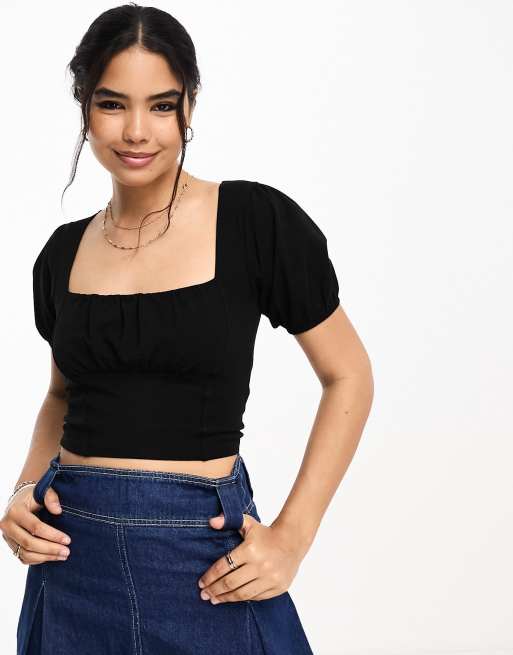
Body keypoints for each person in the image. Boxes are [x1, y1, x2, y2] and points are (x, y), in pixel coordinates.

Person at [2, 4, 373, 654]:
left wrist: (292, 536)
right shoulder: (61, 253)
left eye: (161, 106)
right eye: (112, 104)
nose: (135, 131)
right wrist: (24, 491)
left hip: (204, 563)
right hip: (71, 562)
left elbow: (348, 375)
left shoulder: (255, 221)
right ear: (85, 108)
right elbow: (62, 395)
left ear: (190, 106)